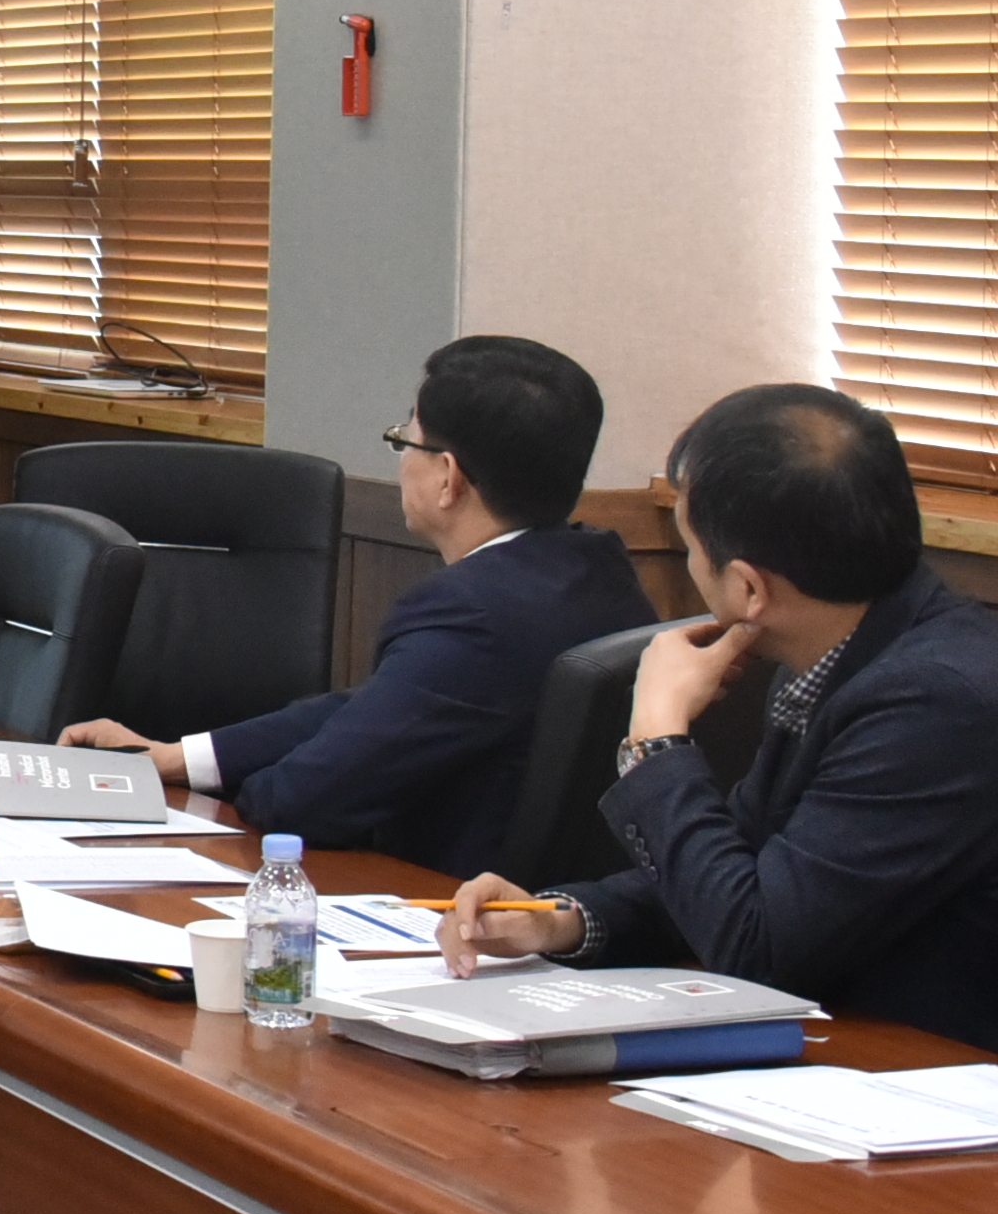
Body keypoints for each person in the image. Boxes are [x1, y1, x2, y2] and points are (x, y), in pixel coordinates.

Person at [443, 382, 998, 1051]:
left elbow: (755, 944)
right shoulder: (860, 648)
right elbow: (742, 869)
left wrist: (656, 740)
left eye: (689, 546)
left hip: (922, 1087)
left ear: (747, 587)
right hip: (829, 1058)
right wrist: (563, 920)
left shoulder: (937, 705)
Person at [64, 336, 654, 875]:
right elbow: (380, 705)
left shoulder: (472, 612)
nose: (402, 458)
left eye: (407, 439)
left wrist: (244, 791)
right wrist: (178, 759)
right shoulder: (597, 567)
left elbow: (302, 800)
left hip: (447, 914)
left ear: (448, 479)